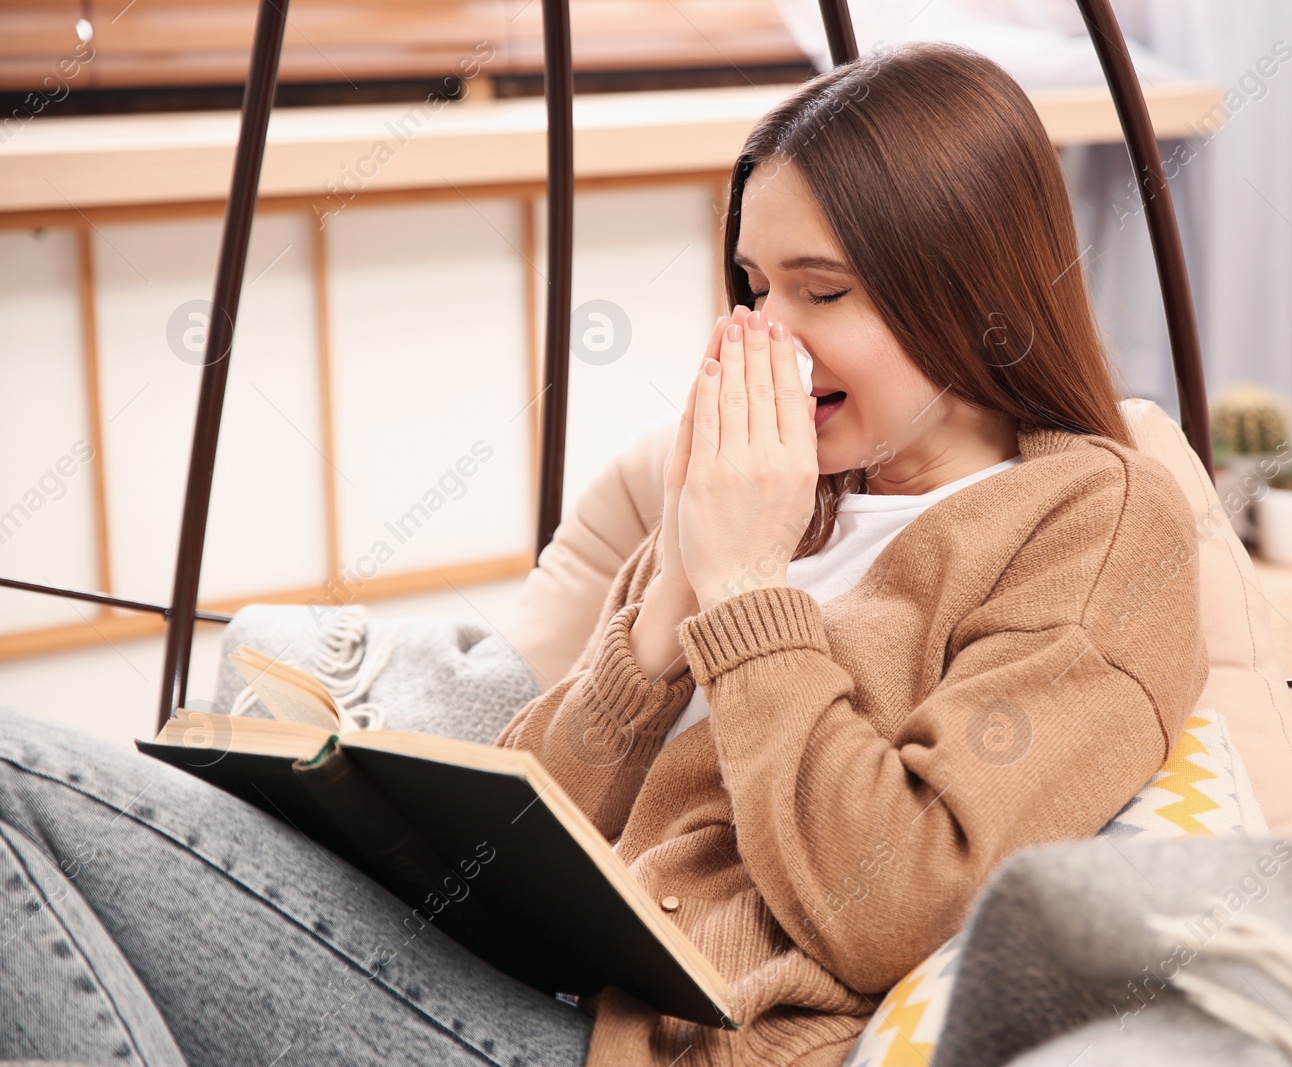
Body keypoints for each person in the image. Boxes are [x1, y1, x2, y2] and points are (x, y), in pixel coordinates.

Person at [0, 40, 1208, 1067]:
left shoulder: (1090, 525)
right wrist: (664, 608)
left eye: (821, 290)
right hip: (503, 973)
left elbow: (895, 896)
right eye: (751, 285)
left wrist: (742, 589)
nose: (765, 336)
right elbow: (527, 836)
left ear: (969, 294)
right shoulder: (768, 490)